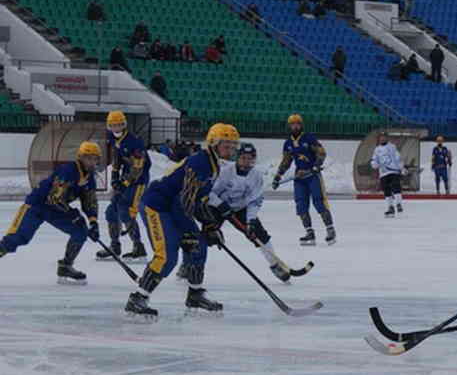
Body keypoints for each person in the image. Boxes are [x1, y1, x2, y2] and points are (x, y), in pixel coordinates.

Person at [124, 124, 240, 319]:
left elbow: (199, 199)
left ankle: (195, 294)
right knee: (167, 256)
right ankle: (138, 298)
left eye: (232, 146)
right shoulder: (200, 162)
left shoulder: (213, 164)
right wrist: (197, 227)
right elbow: (185, 200)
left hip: (175, 207)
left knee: (198, 246)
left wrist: (210, 225)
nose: (230, 150)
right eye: (226, 145)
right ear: (213, 143)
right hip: (157, 205)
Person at [0, 141, 101, 285]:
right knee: (17, 239)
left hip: (55, 210)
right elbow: (54, 198)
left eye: (94, 158)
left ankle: (66, 266)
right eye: (88, 158)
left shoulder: (90, 179)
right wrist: (74, 215)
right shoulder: (67, 171)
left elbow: (89, 201)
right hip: (36, 205)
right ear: (80, 157)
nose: (91, 162)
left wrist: (93, 222)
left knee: (81, 231)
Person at [196, 143, 299, 283]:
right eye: (243, 158)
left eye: (250, 158)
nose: (246, 161)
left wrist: (250, 221)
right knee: (206, 236)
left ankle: (275, 265)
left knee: (259, 234)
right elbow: (210, 192)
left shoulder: (256, 176)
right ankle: (191, 266)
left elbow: (254, 201)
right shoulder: (225, 171)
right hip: (217, 207)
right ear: (237, 158)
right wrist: (221, 205)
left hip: (240, 209)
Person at [271, 114, 336, 246]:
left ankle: (330, 230)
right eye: (292, 124)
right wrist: (278, 176)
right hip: (299, 178)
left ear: (301, 125)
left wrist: (316, 166)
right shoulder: (288, 143)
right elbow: (286, 161)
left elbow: (321, 152)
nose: (295, 126)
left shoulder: (309, 138)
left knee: (319, 202)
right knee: (301, 204)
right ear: (289, 126)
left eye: (298, 124)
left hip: (312, 176)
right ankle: (309, 232)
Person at [97, 111, 150, 263]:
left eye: (119, 124)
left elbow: (138, 168)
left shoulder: (135, 141)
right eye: (113, 125)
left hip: (138, 181)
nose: (116, 128)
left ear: (124, 124)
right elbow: (116, 158)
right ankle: (115, 246)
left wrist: (124, 182)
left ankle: (138, 248)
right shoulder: (113, 139)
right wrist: (114, 176)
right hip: (125, 178)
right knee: (111, 212)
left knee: (126, 210)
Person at [371, 132, 406, 217]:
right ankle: (390, 207)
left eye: (384, 137)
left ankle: (398, 203)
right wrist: (374, 164)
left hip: (393, 171)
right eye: (381, 137)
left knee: (396, 186)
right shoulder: (377, 149)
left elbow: (398, 158)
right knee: (386, 190)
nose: (382, 139)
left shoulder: (392, 147)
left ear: (387, 138)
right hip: (383, 173)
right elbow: (374, 160)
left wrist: (402, 168)